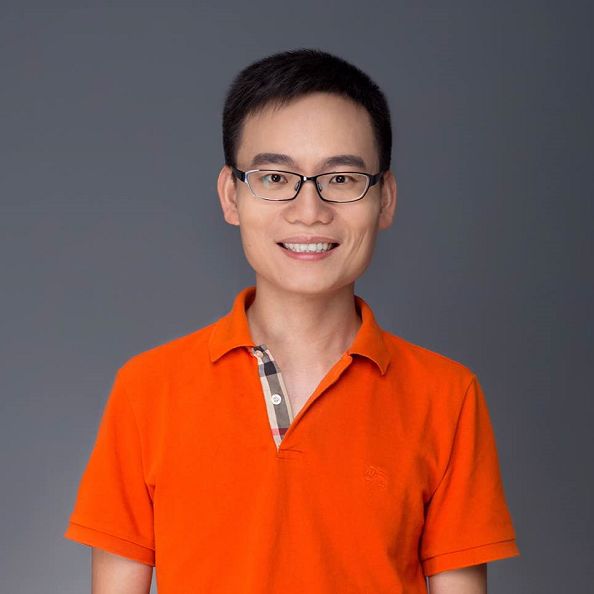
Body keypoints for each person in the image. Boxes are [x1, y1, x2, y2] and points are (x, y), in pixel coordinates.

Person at [64, 48, 520, 593]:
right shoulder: (146, 390)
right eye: (276, 177)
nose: (310, 211)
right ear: (231, 196)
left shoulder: (446, 397)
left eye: (342, 179)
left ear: (386, 199)